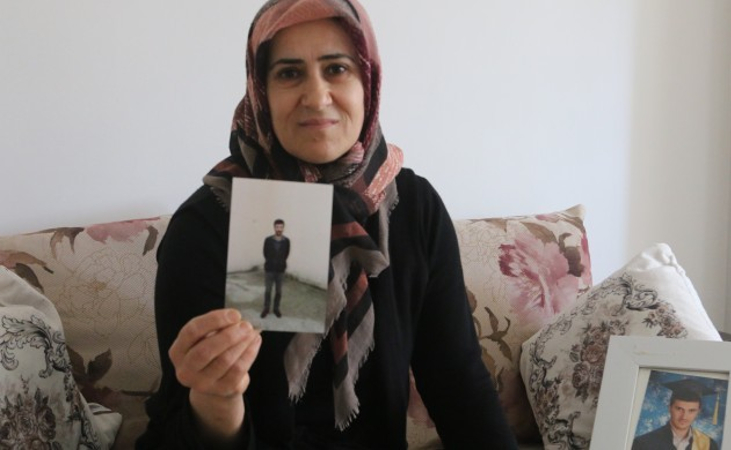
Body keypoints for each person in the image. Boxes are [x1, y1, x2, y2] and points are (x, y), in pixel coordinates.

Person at [136, 0, 516, 448]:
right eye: (289, 73)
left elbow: (459, 385)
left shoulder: (415, 209)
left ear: (368, 81)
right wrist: (215, 400)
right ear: (260, 89)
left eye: (336, 69)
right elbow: (175, 428)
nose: (316, 98)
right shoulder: (205, 226)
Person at [632, 379, 720, 450]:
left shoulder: (709, 446)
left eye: (691, 410)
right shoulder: (644, 444)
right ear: (670, 408)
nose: (684, 416)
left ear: (698, 411)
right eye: (679, 409)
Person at [261, 219, 290, 318]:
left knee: (278, 291)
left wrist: (281, 263)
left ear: (283, 228)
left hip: (280, 270)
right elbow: (265, 253)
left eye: (281, 227)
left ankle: (276, 309)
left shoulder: (286, 241)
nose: (279, 229)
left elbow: (286, 254)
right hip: (269, 269)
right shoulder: (268, 240)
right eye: (277, 227)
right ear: (274, 228)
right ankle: (266, 308)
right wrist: (270, 262)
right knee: (268, 290)